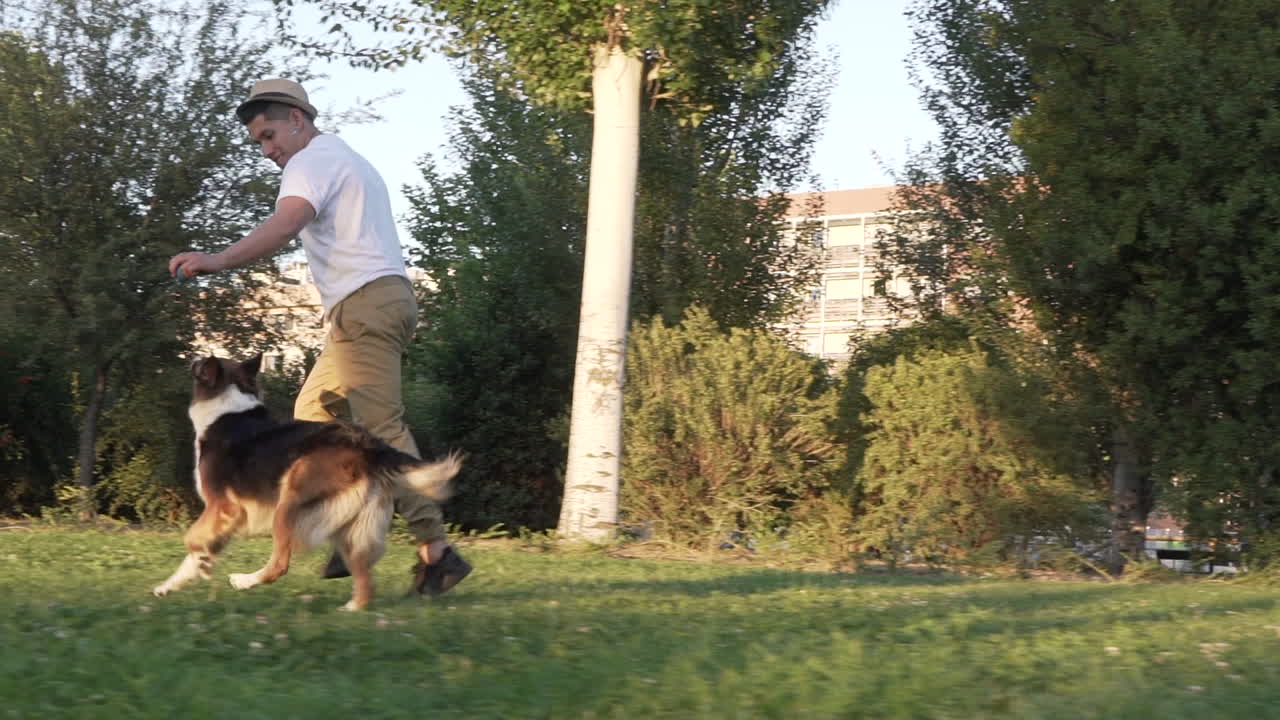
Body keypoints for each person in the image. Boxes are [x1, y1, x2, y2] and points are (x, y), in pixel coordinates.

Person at [168, 78, 470, 596]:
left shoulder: (310, 161)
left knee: (382, 427)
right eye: (258, 143)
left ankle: (437, 552)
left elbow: (287, 223)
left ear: (297, 119)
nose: (267, 151)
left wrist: (218, 260)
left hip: (365, 306)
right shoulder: (344, 158)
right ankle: (339, 521)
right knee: (313, 413)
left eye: (269, 136)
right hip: (371, 305)